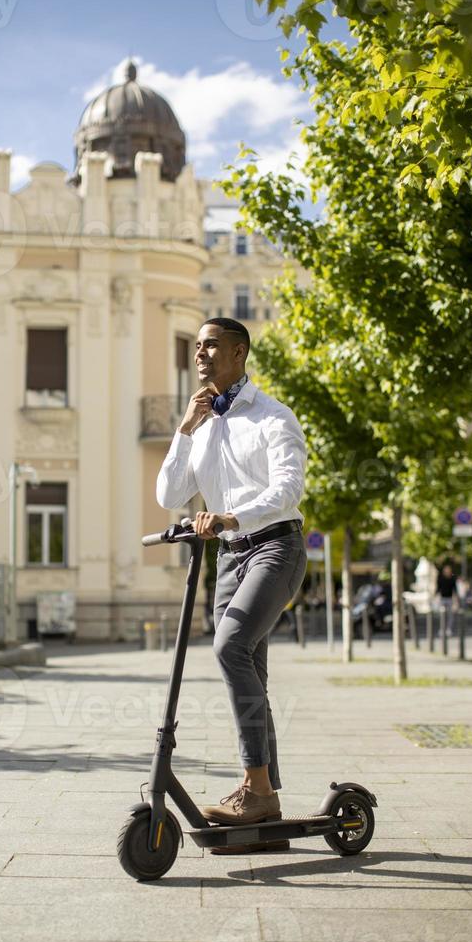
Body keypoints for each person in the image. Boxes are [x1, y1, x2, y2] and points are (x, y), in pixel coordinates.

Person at [156, 317, 307, 836]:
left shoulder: (272, 416)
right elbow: (168, 495)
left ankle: (258, 790)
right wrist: (183, 430)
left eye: (211, 345)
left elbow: (287, 491)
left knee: (229, 648)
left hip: (274, 548)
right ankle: (264, 797)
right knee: (250, 671)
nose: (200, 353)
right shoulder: (201, 426)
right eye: (196, 347)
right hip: (228, 559)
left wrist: (230, 516)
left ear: (239, 352)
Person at [436, 563, 458, 636]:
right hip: (442, 598)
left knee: (450, 615)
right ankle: (442, 629)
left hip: (449, 598)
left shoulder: (452, 578)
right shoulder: (441, 578)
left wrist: (456, 599)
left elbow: (455, 589)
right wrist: (436, 596)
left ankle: (449, 629)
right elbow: (438, 588)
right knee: (442, 615)